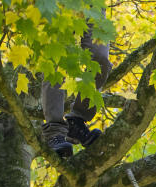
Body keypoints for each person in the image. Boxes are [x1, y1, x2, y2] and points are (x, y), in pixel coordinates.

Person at [42, 21, 112, 158]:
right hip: (60, 6)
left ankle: (77, 121)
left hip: (92, 7)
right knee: (55, 60)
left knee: (101, 59)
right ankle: (54, 131)